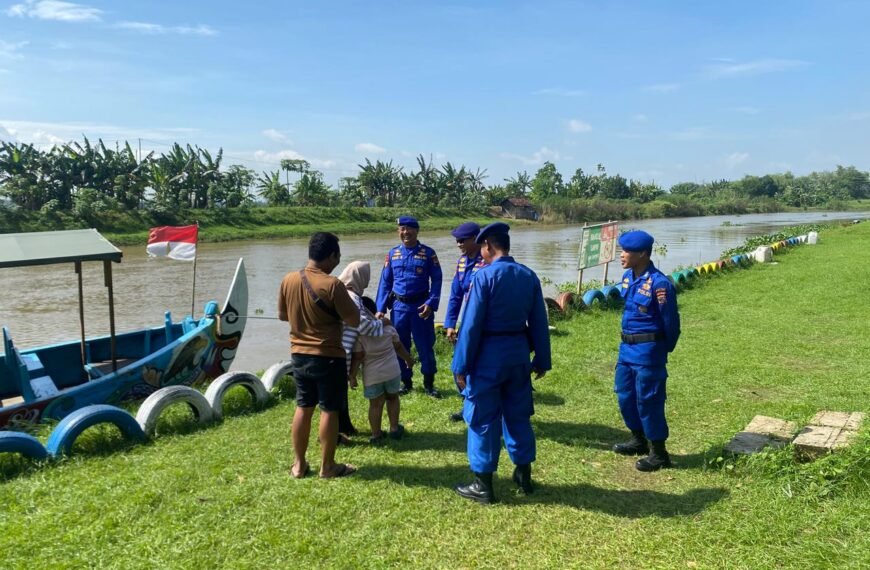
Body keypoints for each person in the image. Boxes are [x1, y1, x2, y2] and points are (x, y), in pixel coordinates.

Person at [451, 222, 551, 504]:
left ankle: (483, 484)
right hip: (518, 354)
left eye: (482, 246)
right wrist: (541, 358)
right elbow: (539, 322)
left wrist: (460, 366)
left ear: (488, 246)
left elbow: (471, 326)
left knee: (482, 418)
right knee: (518, 414)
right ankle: (523, 474)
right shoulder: (528, 276)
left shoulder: (484, 277)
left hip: (488, 357)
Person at [277, 232, 360, 479]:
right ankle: (328, 466)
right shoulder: (332, 284)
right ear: (331, 255)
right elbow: (354, 320)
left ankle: (299, 465)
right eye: (338, 257)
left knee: (303, 407)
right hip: (328, 355)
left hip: (299, 354)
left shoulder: (289, 279)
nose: (337, 262)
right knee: (329, 410)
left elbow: (283, 316)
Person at [611, 230, 681, 472]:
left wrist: (661, 351)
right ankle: (638, 440)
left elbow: (671, 324)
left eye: (626, 251)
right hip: (626, 350)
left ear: (642, 254)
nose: (621, 255)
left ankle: (659, 453)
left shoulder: (660, 284)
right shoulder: (628, 278)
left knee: (649, 401)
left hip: (648, 352)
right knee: (625, 395)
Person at [375, 216, 443, 397]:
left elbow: (437, 280)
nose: (405, 232)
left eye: (409, 229)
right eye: (402, 229)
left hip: (422, 308)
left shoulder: (428, 253)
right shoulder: (392, 254)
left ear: (417, 230)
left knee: (425, 345)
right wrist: (380, 308)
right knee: (399, 345)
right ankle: (406, 382)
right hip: (399, 307)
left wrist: (431, 303)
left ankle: (429, 384)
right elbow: (385, 282)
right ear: (398, 231)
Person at [350, 297, 415, 443]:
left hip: (372, 375)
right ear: (374, 311)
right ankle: (394, 429)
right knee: (393, 398)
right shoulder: (387, 327)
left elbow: (358, 357)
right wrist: (408, 359)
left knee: (375, 404)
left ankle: (376, 434)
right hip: (392, 371)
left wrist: (353, 376)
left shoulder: (360, 334)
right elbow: (398, 346)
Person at [337, 261, 385, 442]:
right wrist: (381, 324)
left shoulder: (340, 292)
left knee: (339, 392)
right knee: (336, 395)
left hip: (338, 348)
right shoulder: (351, 296)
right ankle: (338, 432)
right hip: (342, 350)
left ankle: (344, 427)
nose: (365, 283)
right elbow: (363, 324)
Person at [444, 221, 486, 422]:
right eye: (457, 240)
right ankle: (467, 404)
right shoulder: (461, 262)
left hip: (485, 324)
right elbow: (455, 296)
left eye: (462, 240)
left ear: (476, 240)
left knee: (482, 366)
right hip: (465, 324)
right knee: (460, 365)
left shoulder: (488, 262)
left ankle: (486, 405)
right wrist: (450, 323)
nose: (458, 244)